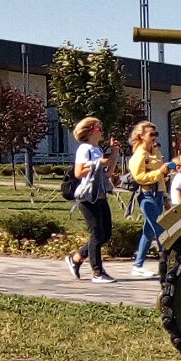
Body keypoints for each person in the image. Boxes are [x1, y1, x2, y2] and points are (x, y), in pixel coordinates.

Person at [64, 116, 119, 283]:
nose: (102, 131)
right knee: (96, 233)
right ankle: (97, 272)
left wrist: (114, 154)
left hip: (100, 194)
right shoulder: (84, 149)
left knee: (106, 233)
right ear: (89, 132)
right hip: (87, 197)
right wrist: (97, 163)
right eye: (98, 128)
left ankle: (76, 258)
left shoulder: (98, 150)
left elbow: (107, 173)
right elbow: (78, 172)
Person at [125, 121, 170, 279]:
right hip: (146, 195)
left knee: (149, 231)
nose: (154, 137)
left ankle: (138, 265)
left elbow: (160, 176)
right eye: (151, 134)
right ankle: (169, 263)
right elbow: (139, 178)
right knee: (160, 229)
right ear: (141, 136)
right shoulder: (140, 155)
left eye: (155, 134)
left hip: (157, 194)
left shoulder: (154, 152)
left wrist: (165, 196)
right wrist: (160, 172)